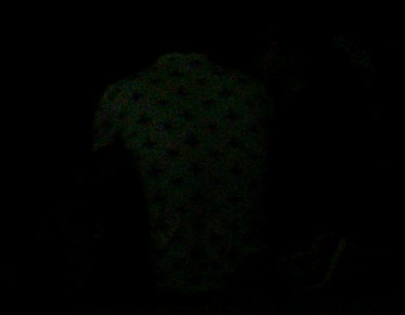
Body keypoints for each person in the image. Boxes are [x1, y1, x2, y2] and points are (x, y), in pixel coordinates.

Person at [91, 40, 276, 295]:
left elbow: (101, 191)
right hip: (248, 283)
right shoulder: (253, 93)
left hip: (158, 283)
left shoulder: (123, 94)